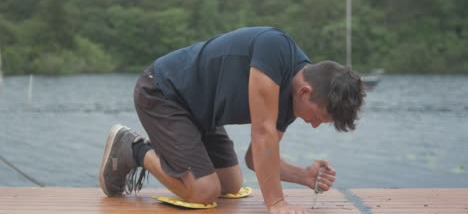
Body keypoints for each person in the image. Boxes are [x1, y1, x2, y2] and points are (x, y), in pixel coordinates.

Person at [99, 26, 365, 214]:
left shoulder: (295, 98)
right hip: (163, 92)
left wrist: (302, 175)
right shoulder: (275, 49)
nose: (314, 124)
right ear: (306, 92)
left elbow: (255, 158)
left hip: (201, 114)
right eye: (318, 117)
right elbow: (262, 135)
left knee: (230, 185)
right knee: (204, 191)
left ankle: (157, 152)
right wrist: (277, 204)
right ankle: (133, 149)